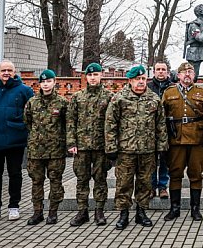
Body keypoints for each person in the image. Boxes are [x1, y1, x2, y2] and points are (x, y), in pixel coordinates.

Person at [105, 65, 168, 229]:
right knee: (124, 183)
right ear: (130, 81)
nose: (141, 82)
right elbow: (110, 124)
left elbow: (160, 124)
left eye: (143, 79)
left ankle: (141, 213)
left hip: (148, 150)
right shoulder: (119, 99)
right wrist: (111, 147)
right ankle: (123, 214)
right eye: (137, 79)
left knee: (145, 183)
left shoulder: (154, 99)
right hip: (126, 150)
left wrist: (162, 145)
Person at [161, 62, 203, 221]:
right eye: (183, 72)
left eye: (190, 72)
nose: (187, 74)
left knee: (196, 174)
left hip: (197, 140)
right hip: (175, 140)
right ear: (178, 75)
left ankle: (195, 208)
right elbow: (160, 119)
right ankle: (174, 208)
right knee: (175, 173)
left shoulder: (202, 93)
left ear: (194, 75)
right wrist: (163, 141)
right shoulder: (169, 92)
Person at [0, 60, 34, 222]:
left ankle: (14, 206)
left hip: (15, 140)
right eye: (3, 70)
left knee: (15, 174)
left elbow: (32, 114)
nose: (6, 73)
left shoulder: (25, 90)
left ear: (14, 72)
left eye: (9, 70)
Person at [67, 62, 113, 226]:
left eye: (96, 74)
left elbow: (113, 123)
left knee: (101, 179)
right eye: (90, 75)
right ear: (86, 77)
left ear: (101, 75)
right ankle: (82, 211)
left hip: (101, 147)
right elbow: (71, 121)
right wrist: (72, 143)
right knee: (82, 180)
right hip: (82, 147)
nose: (93, 78)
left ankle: (99, 211)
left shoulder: (109, 97)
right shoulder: (78, 97)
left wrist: (111, 145)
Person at [23, 70, 68, 226]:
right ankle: (37, 212)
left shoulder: (62, 103)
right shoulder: (32, 102)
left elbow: (66, 125)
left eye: (49, 81)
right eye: (43, 82)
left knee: (55, 181)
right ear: (39, 84)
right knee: (36, 182)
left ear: (54, 82)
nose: (46, 84)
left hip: (55, 150)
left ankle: (53, 212)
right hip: (36, 151)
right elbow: (27, 122)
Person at [148, 61, 173, 200]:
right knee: (151, 160)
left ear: (167, 72)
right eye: (158, 69)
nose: (161, 72)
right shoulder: (148, 87)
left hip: (167, 130)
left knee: (164, 160)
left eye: (163, 69)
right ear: (154, 72)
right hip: (150, 130)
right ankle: (151, 187)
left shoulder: (172, 88)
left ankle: (163, 187)